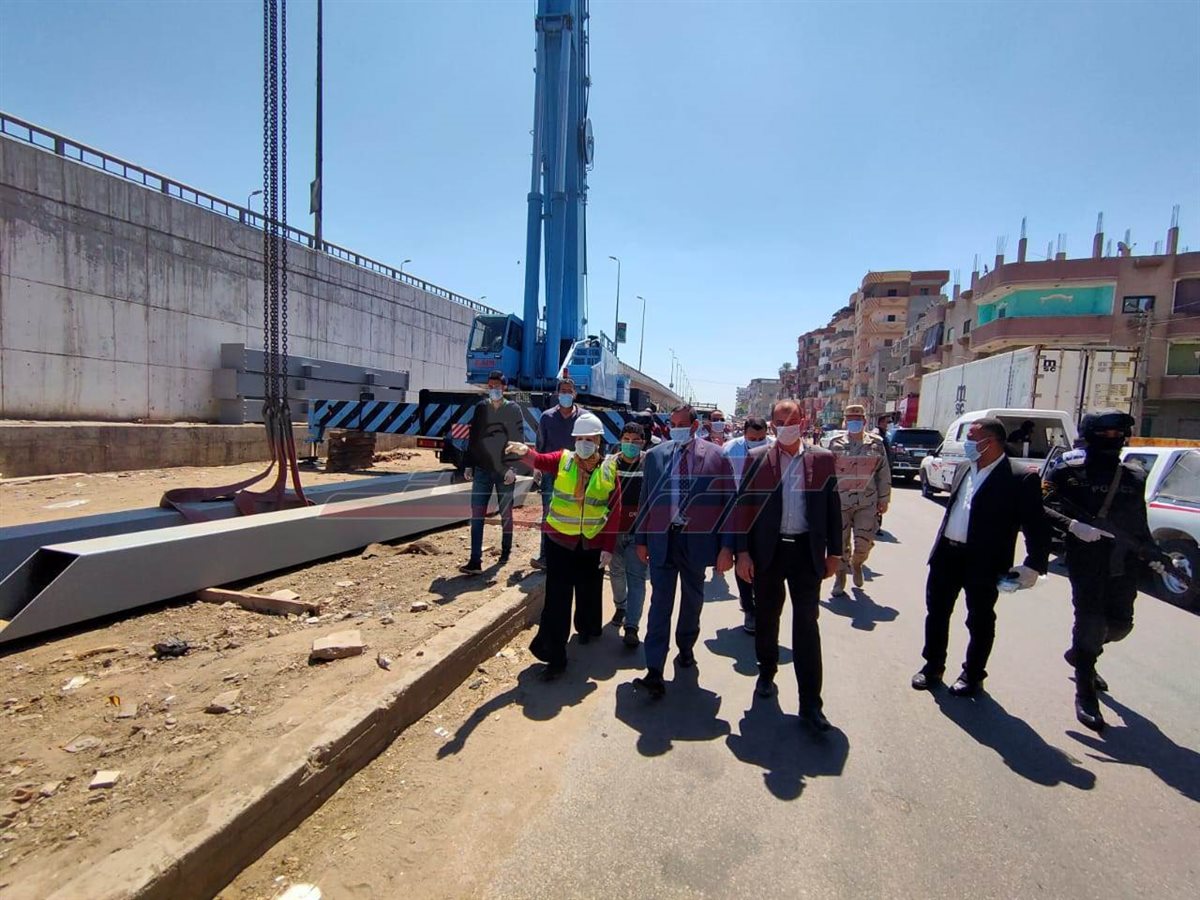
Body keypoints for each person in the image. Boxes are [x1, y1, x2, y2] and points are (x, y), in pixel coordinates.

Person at [1043, 410, 1167, 731]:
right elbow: (1041, 505)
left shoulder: (1133, 474)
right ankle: (1085, 692)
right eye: (1106, 433)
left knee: (1121, 625)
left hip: (1123, 562)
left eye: (1118, 433)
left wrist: (1153, 552)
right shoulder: (1068, 470)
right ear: (1090, 434)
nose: (1113, 438)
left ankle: (1082, 654)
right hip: (1086, 560)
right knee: (1090, 622)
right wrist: (1073, 525)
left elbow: (1138, 520)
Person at [911, 417, 1051, 696]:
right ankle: (933, 665)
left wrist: (1034, 564)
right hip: (947, 554)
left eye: (973, 439)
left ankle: (973, 674)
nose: (967, 444)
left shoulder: (1019, 477)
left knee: (979, 619)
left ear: (992, 442)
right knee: (937, 612)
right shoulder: (964, 467)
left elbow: (1036, 524)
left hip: (984, 561)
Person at [733, 400, 842, 733]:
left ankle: (811, 704)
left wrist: (836, 553)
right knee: (767, 617)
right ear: (772, 425)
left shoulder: (822, 459)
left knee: (807, 624)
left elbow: (832, 507)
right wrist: (742, 553)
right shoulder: (757, 458)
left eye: (791, 420)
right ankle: (766, 672)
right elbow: (743, 508)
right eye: (779, 422)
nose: (786, 427)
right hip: (768, 552)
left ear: (803, 422)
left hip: (806, 552)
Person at [506, 412, 620, 680]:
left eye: (589, 439)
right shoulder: (564, 459)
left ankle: (588, 628)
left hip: (591, 543)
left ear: (599, 441)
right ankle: (555, 656)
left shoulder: (608, 469)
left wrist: (608, 547)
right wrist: (525, 452)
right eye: (579, 438)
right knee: (557, 600)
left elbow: (615, 509)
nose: (584, 443)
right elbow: (540, 461)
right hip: (560, 542)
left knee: (589, 590)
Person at [632, 404, 735, 699]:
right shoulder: (655, 456)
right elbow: (646, 499)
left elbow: (729, 502)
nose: (675, 429)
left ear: (694, 426)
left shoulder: (716, 456)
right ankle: (654, 669)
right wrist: (641, 539)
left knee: (692, 601)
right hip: (663, 540)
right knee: (659, 604)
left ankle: (686, 646)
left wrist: (727, 547)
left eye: (681, 424)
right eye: (672, 424)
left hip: (697, 543)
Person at [459, 370, 524, 575]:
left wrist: (513, 469)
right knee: (477, 514)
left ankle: (505, 551)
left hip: (504, 471)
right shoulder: (481, 408)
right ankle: (475, 560)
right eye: (491, 385)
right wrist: (468, 464)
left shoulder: (513, 409)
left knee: (506, 512)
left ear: (504, 387)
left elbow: (518, 440)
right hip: (482, 470)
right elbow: (474, 438)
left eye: (497, 385)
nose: (493, 389)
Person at [826, 404, 891, 594]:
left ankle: (857, 563)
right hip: (841, 501)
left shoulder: (876, 443)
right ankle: (840, 576)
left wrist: (884, 498)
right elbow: (827, 473)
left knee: (864, 542)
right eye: (850, 419)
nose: (854, 422)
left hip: (867, 501)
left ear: (864, 421)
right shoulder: (835, 443)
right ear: (845, 421)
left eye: (858, 419)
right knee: (840, 542)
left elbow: (883, 473)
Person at [722, 416, 772, 633]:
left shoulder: (775, 448)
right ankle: (748, 606)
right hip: (738, 511)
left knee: (765, 561)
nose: (757, 443)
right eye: (753, 439)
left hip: (766, 513)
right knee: (742, 558)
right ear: (744, 434)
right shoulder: (729, 450)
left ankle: (762, 604)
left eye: (761, 439)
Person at [531, 377, 581, 570]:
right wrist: (537, 466)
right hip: (551, 473)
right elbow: (540, 444)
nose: (566, 394)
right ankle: (546, 556)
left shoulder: (583, 418)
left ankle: (573, 554)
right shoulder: (547, 417)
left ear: (575, 394)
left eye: (569, 391)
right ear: (558, 394)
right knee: (549, 513)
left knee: (574, 512)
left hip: (576, 473)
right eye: (563, 391)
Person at [609, 421, 649, 647]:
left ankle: (632, 626)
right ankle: (620, 607)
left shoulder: (650, 463)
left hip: (638, 533)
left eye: (635, 441)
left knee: (636, 578)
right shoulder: (610, 463)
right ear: (621, 440)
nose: (630, 444)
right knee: (615, 572)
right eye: (626, 440)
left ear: (643, 442)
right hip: (613, 531)